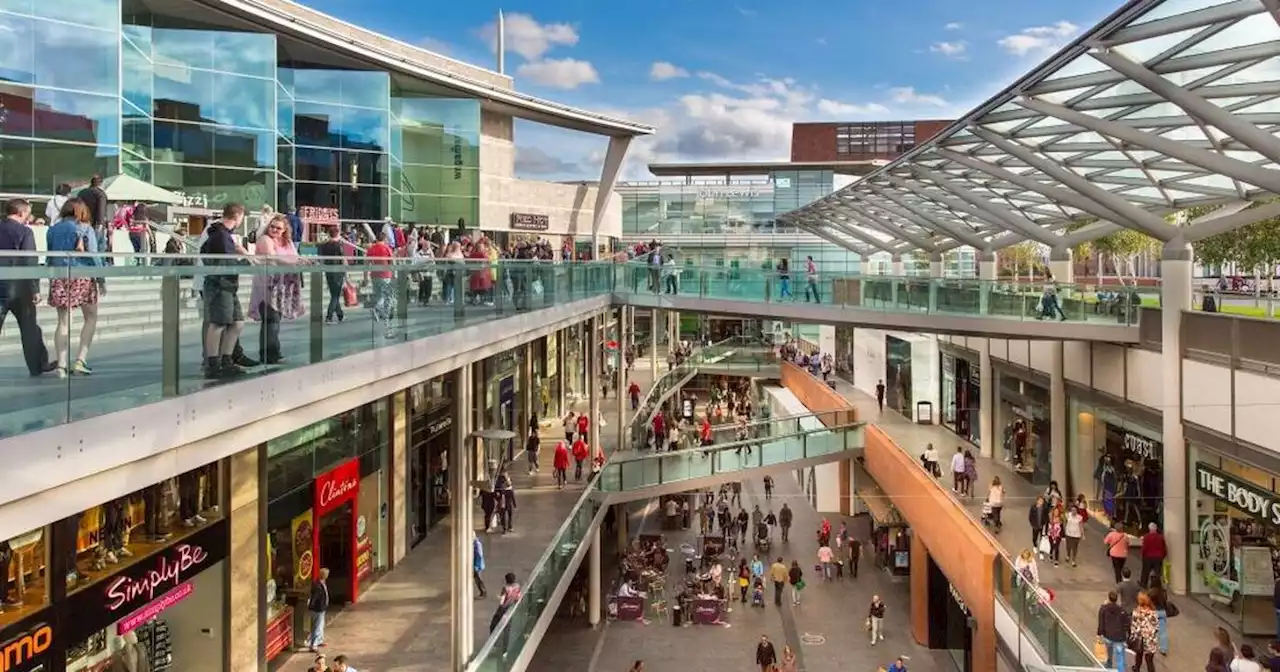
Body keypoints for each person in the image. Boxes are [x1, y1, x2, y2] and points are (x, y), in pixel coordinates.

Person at [45, 198, 102, 377]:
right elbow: (94, 255)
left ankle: (61, 365)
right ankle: (80, 360)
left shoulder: (53, 229)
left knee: (63, 322)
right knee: (90, 317)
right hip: (82, 276)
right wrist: (101, 278)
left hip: (60, 276)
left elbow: (49, 256)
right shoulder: (85, 228)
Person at [0, 199, 54, 378]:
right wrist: (35, 288)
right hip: (20, 286)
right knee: (29, 327)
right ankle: (38, 365)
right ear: (21, 213)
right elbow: (29, 261)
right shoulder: (25, 232)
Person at [200, 204, 250, 379]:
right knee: (218, 323)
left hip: (227, 284)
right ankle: (213, 364)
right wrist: (244, 262)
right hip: (220, 284)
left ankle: (226, 359)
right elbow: (224, 263)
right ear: (238, 216)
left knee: (237, 322)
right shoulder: (220, 235)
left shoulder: (220, 234)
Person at [250, 214, 305, 364]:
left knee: (275, 319)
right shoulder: (265, 239)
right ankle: (269, 355)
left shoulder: (286, 242)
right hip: (267, 284)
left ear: (284, 230)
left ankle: (273, 352)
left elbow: (296, 256)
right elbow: (271, 257)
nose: (274, 229)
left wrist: (302, 261)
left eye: (278, 228)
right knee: (271, 318)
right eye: (272, 226)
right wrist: (294, 262)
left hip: (282, 285)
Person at [317, 225, 348, 324]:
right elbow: (343, 259)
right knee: (335, 295)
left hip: (328, 271)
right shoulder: (339, 245)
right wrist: (346, 272)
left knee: (334, 294)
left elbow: (321, 259)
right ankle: (329, 317)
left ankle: (340, 315)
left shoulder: (323, 245)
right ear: (338, 233)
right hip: (338, 271)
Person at [306, 567, 331, 651]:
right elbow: (314, 598)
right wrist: (311, 606)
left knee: (320, 625)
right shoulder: (317, 585)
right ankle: (313, 645)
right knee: (316, 626)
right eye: (326, 574)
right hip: (317, 609)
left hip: (322, 608)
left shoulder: (322, 583)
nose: (327, 576)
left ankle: (319, 640)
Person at [1140, 523, 1167, 588]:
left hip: (1148, 557)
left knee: (1145, 572)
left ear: (1149, 529)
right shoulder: (1160, 537)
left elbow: (1144, 548)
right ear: (1156, 529)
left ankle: (1144, 584)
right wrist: (1163, 555)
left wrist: (1142, 555)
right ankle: (1157, 585)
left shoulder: (1146, 537)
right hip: (1158, 557)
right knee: (1157, 572)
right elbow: (1164, 547)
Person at [1064, 500, 1087, 567]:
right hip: (1068, 534)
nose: (1074, 511)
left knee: (1075, 548)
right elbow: (1065, 523)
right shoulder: (1068, 515)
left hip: (1076, 535)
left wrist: (1083, 535)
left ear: (1077, 511)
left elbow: (1081, 526)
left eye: (1075, 510)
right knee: (1068, 546)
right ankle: (1068, 555)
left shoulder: (1079, 517)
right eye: (1072, 510)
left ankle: (1073, 560)